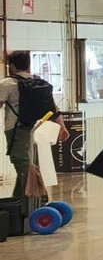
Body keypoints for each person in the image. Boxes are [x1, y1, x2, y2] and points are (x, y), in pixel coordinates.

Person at [2, 49, 56, 200]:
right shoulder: (38, 83)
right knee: (27, 161)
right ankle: (19, 198)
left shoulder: (7, 83)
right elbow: (54, 108)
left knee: (21, 163)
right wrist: (62, 127)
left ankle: (37, 196)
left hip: (15, 128)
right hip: (34, 127)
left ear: (11, 65)